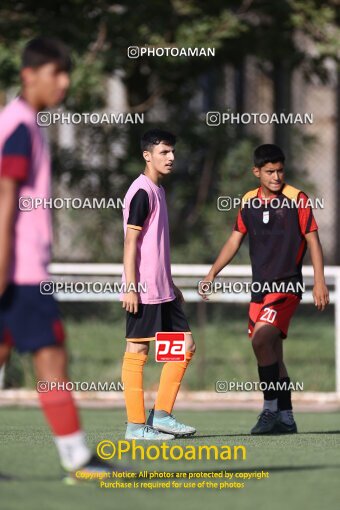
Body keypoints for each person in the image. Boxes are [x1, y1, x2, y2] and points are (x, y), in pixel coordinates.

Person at [0, 37, 117, 480]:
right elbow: (5, 197)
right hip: (20, 272)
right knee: (52, 359)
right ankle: (76, 458)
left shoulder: (19, 122)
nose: (65, 83)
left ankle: (76, 456)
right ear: (30, 74)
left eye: (67, 73)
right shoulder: (20, 127)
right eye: (57, 73)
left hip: (16, 269)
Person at [200, 144, 329, 434]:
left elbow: (313, 240)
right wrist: (211, 273)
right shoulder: (248, 201)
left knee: (260, 340)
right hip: (259, 290)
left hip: (286, 287)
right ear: (256, 172)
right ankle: (286, 416)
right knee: (271, 353)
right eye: (270, 171)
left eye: (280, 170)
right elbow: (235, 240)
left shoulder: (297, 199)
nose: (276, 176)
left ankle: (269, 408)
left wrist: (319, 281)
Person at [121, 129, 196, 440]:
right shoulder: (141, 191)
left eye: (172, 151)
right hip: (144, 290)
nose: (171, 157)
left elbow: (155, 246)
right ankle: (136, 426)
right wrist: (130, 286)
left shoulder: (158, 190)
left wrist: (172, 283)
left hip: (163, 289)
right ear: (147, 155)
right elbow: (131, 242)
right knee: (137, 348)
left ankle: (162, 415)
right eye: (164, 152)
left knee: (184, 347)